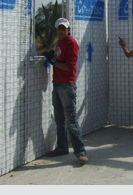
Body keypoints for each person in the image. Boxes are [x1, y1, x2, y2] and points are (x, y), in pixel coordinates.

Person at [43, 18, 88, 165]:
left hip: (66, 86)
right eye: (59, 28)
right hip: (57, 84)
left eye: (65, 28)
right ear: (56, 31)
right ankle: (62, 147)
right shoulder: (60, 42)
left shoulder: (71, 43)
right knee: (59, 118)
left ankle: (80, 152)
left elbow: (70, 67)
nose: (62, 30)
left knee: (71, 120)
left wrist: (53, 62)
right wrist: (52, 57)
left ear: (69, 29)